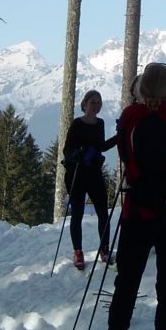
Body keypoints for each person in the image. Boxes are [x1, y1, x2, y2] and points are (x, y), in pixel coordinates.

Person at [106, 62, 166, 330]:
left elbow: (122, 150)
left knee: (127, 283)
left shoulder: (130, 115)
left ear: (142, 87)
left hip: (136, 211)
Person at [63, 89, 117, 270]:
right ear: (85, 104)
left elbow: (101, 146)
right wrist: (76, 155)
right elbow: (67, 150)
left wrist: (119, 136)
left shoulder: (100, 123)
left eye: (99, 102)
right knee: (77, 214)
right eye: (93, 102)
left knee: (103, 213)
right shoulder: (77, 124)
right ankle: (78, 251)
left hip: (93, 172)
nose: (96, 105)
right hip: (77, 173)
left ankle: (105, 249)